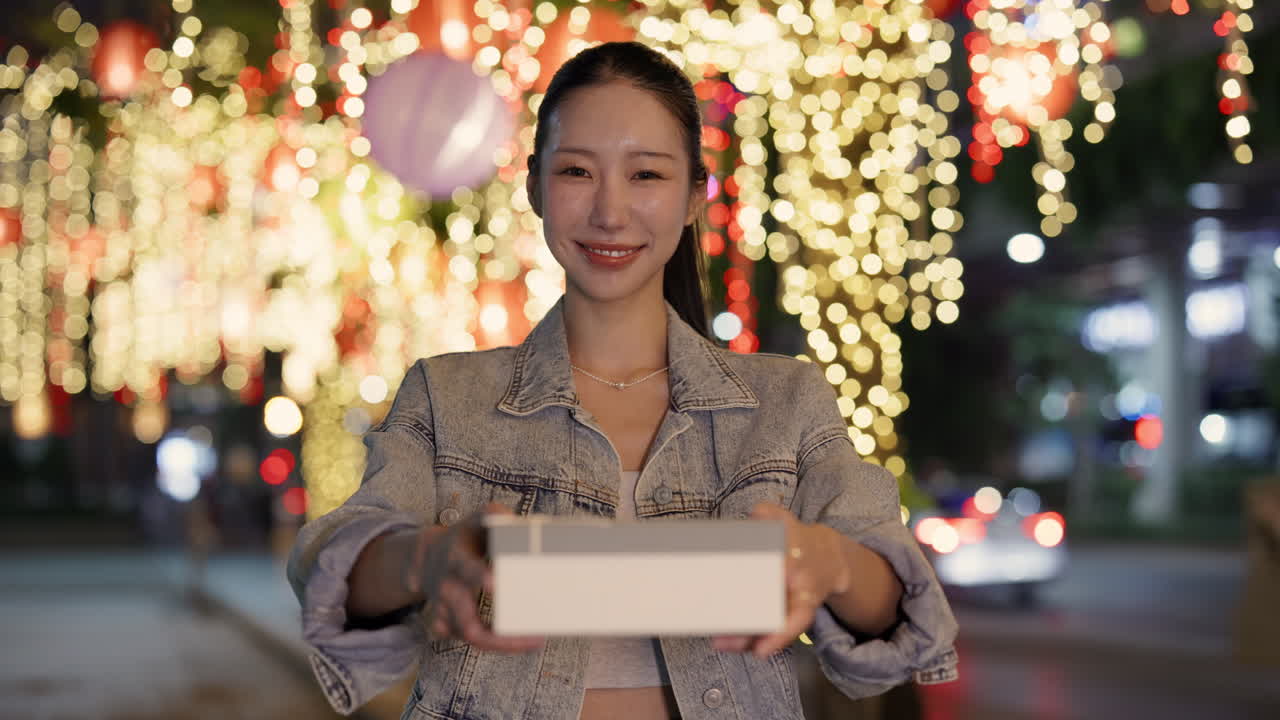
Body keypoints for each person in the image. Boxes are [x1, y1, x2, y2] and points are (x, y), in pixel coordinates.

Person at [287, 41, 957, 720]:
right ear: (535, 188)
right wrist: (424, 560)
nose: (610, 212)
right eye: (578, 171)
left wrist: (830, 563)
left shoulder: (784, 401)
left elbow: (901, 610)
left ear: (697, 193)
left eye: (646, 176)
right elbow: (332, 565)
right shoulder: (447, 396)